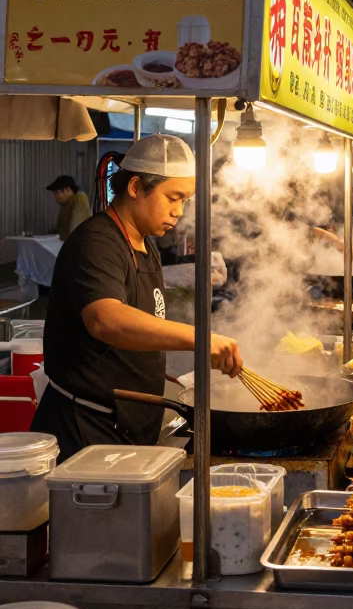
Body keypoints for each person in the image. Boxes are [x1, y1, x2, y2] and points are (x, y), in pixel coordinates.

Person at [32, 134, 243, 462]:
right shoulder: (97, 243)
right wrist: (200, 339)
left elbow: (146, 320)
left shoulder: (145, 244)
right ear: (135, 187)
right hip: (87, 433)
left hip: (127, 429)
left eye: (185, 200)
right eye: (174, 198)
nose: (180, 211)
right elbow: (107, 319)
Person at [47, 174, 91, 242]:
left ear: (66, 189)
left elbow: (76, 229)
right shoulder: (65, 206)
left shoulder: (80, 199)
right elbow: (60, 230)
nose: (55, 197)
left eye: (56, 193)